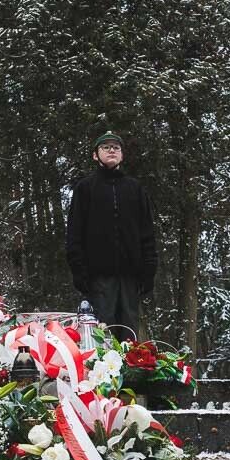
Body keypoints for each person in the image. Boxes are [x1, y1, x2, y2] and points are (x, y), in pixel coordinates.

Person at [65, 131, 158, 341]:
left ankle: (132, 363)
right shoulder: (85, 188)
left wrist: (148, 271)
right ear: (95, 155)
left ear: (122, 155)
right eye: (105, 147)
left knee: (130, 336)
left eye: (116, 147)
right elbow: (74, 234)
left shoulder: (135, 188)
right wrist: (79, 272)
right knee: (102, 335)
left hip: (130, 277)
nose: (111, 151)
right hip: (98, 278)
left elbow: (147, 233)